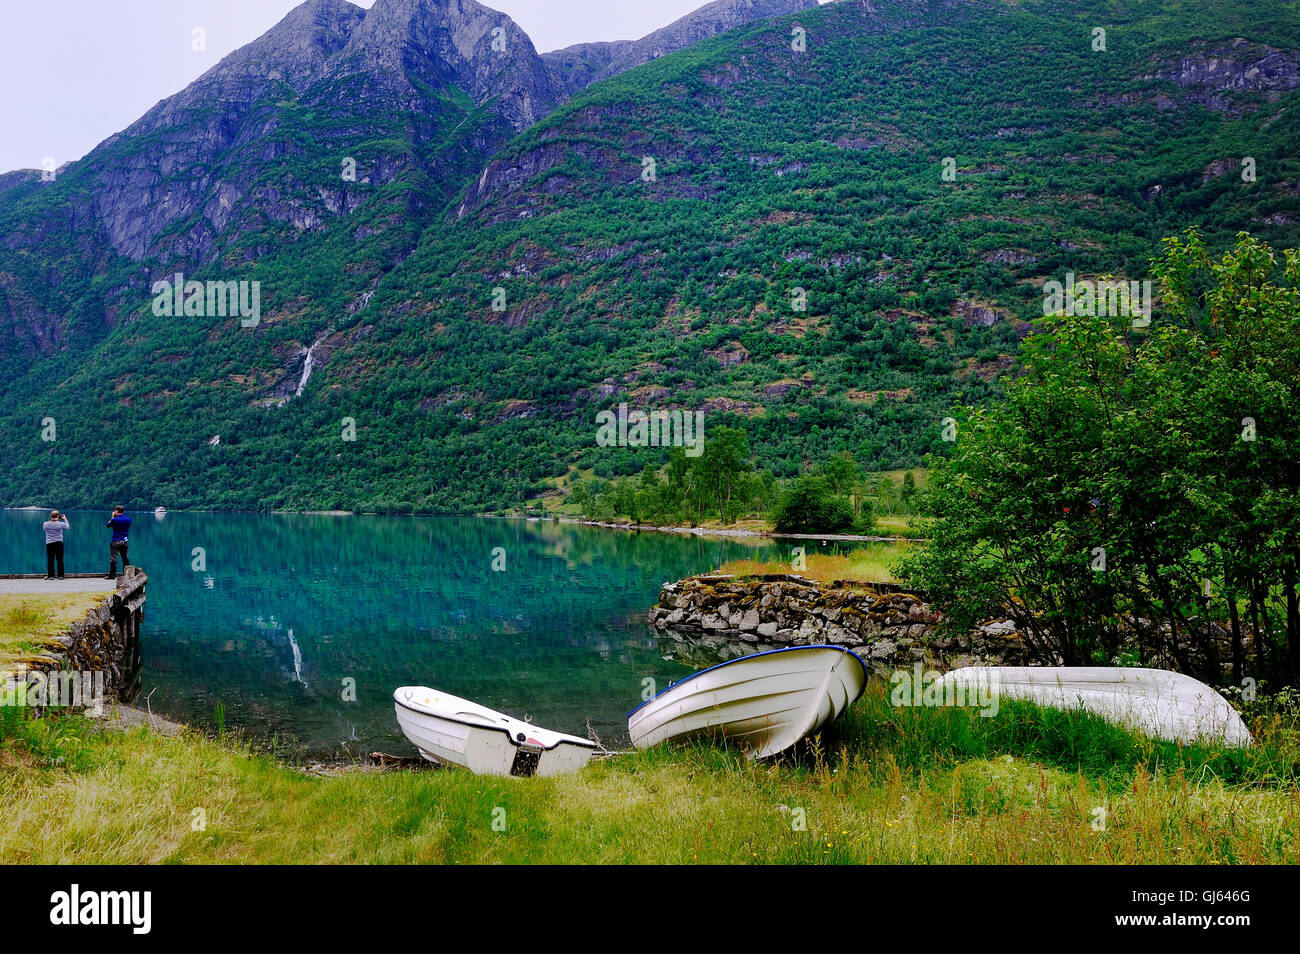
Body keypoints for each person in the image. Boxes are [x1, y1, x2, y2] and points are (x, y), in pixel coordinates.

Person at [105, 506, 131, 579]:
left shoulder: (115, 520)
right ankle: (126, 574)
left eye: (115, 511)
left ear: (116, 511)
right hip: (125, 541)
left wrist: (113, 517)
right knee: (125, 558)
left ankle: (112, 575)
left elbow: (108, 525)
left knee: (114, 558)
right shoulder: (128, 519)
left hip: (116, 541)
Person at [43, 510, 69, 580]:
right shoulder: (61, 524)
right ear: (58, 516)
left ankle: (50, 575)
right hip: (59, 543)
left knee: (50, 560)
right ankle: (60, 576)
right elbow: (67, 527)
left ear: (50, 516)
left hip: (49, 543)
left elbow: (44, 530)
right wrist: (65, 519)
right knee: (59, 559)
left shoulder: (45, 524)